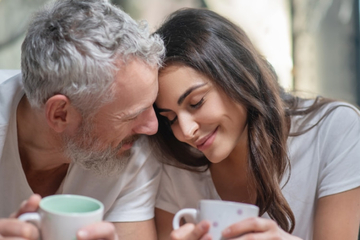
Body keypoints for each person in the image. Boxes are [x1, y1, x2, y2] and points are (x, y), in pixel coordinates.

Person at [152, 8, 360, 240]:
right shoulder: (174, 165)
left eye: (196, 102)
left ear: (238, 75)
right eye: (170, 118)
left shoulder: (334, 129)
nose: (186, 131)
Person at [0, 0, 165, 239]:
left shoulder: (131, 149)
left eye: (152, 104)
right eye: (132, 115)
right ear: (60, 114)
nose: (153, 127)